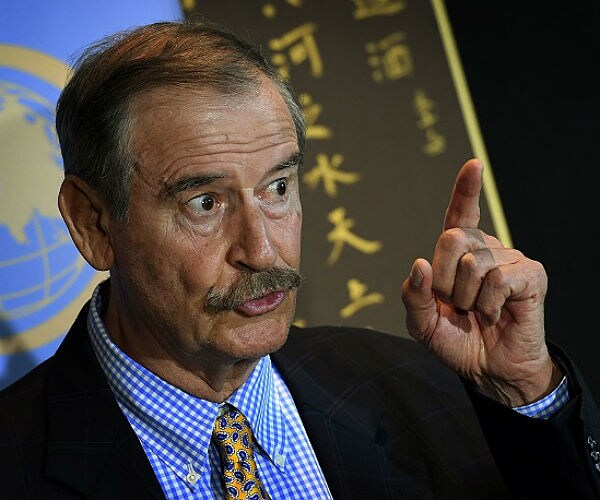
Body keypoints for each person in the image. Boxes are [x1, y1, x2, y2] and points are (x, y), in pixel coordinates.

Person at [0, 20, 598, 500]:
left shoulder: (419, 385)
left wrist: (522, 391)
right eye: (205, 203)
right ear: (93, 222)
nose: (262, 251)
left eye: (278, 187)